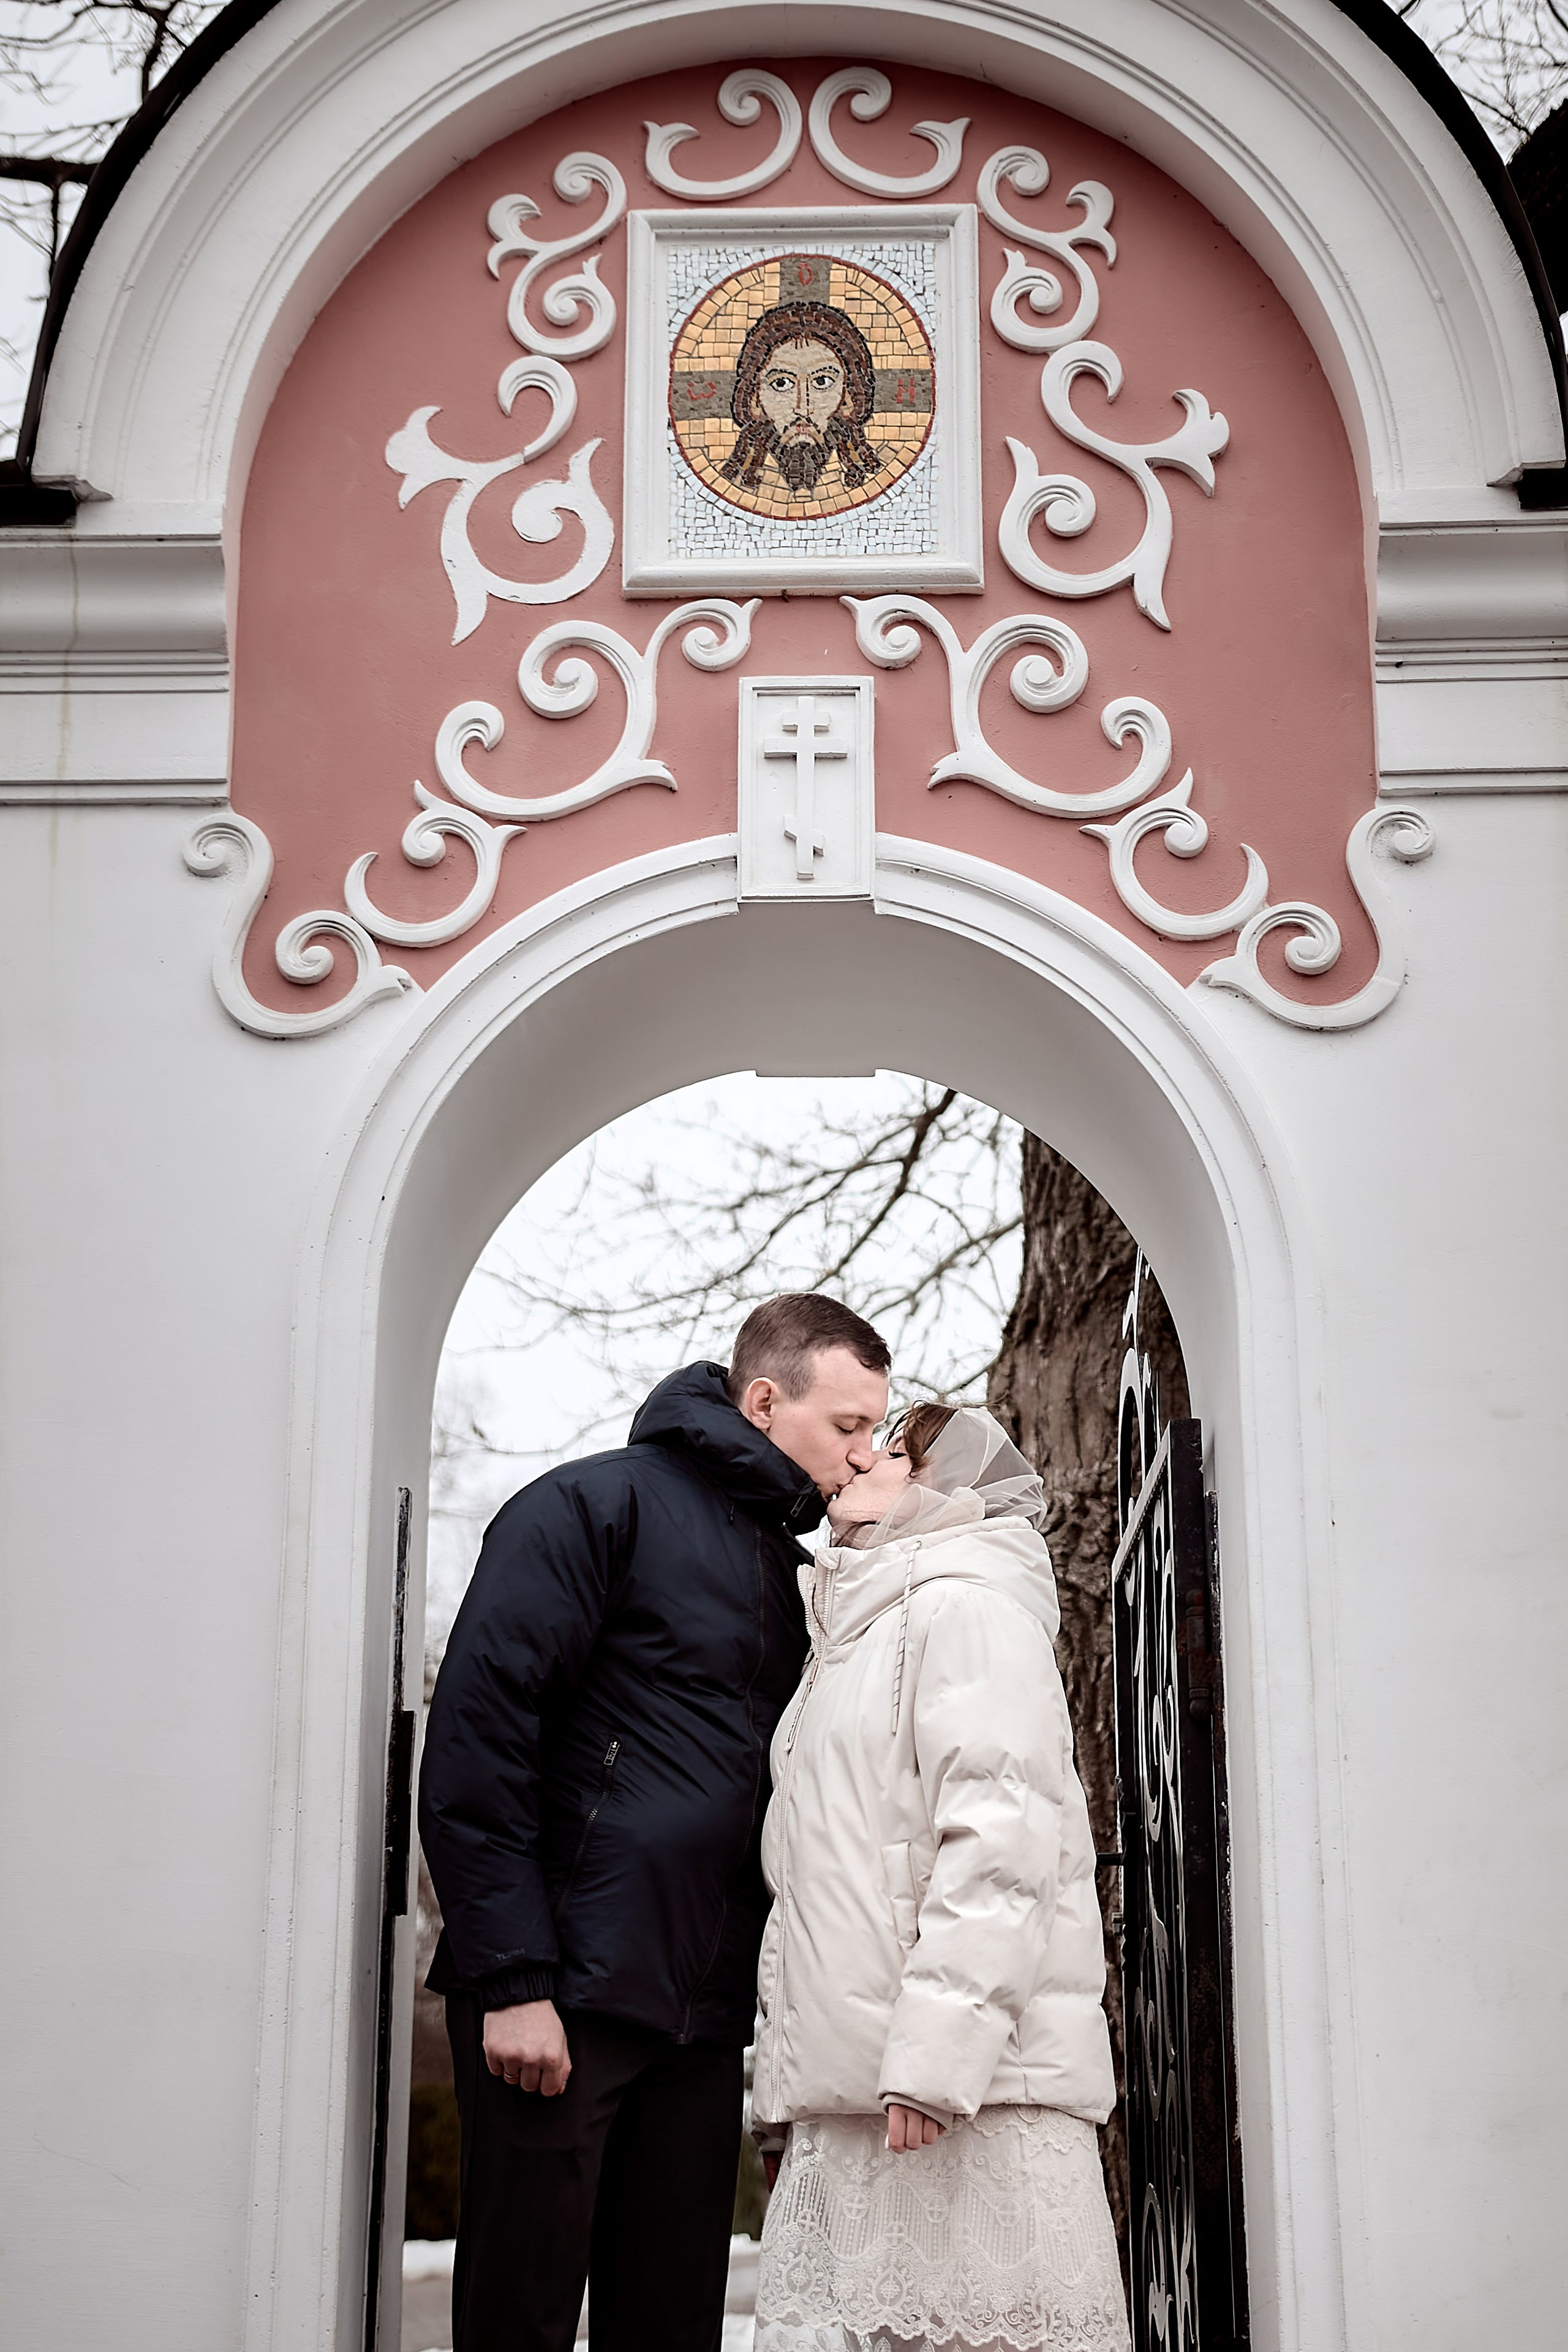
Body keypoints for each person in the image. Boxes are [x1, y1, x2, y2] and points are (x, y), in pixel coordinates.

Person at [417, 1294, 891, 2352]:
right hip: (560, 2000)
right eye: (848, 1426)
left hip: (702, 2016)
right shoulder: (593, 1508)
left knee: (673, 2325)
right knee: (520, 2321)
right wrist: (514, 1981)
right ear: (766, 1401)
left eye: (875, 1431)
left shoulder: (789, 1570)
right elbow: (476, 1747)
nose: (864, 1457)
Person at [751, 1404, 1131, 2352]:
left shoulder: (966, 1608)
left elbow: (1000, 1847)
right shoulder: (852, 1635)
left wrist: (933, 2063)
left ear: (938, 1491)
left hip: (963, 2102)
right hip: (860, 2101)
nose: (856, 1463)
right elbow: (813, 1874)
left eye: (887, 1452)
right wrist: (784, 2082)